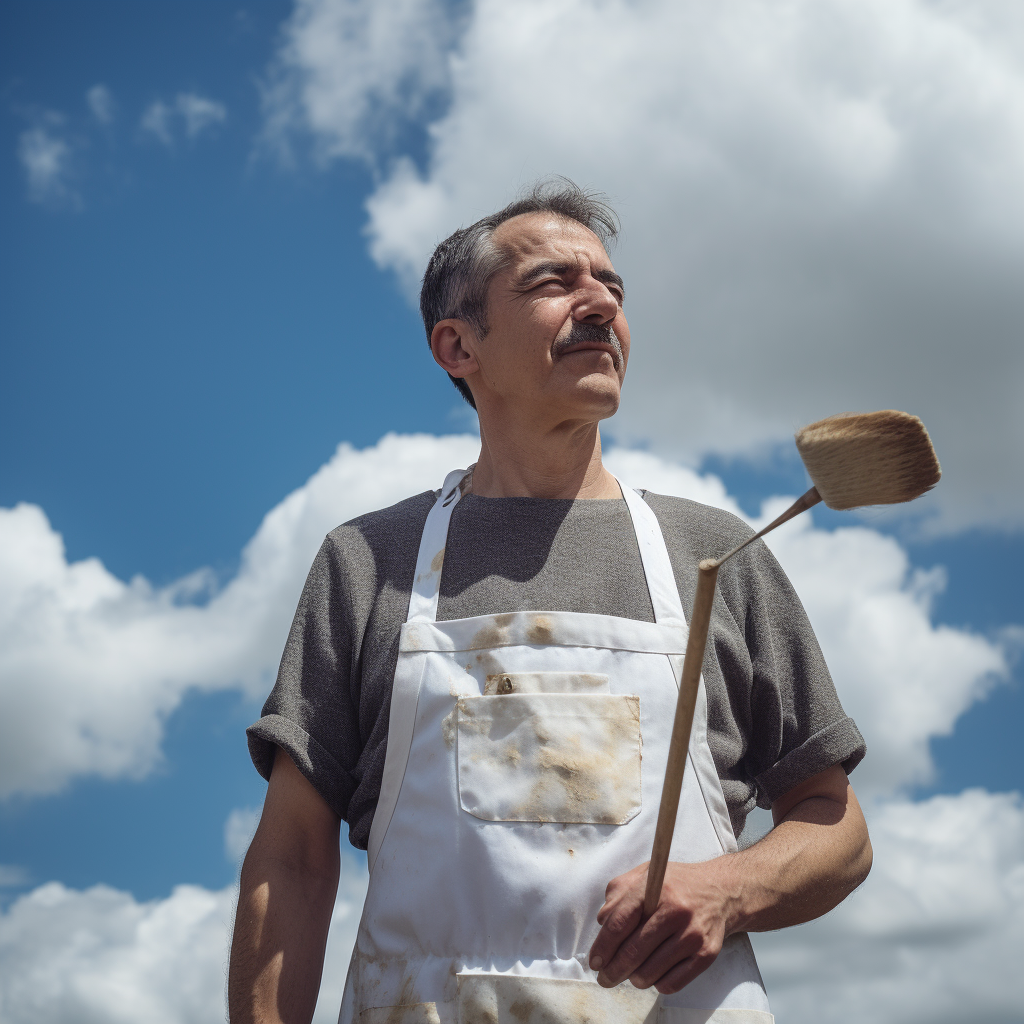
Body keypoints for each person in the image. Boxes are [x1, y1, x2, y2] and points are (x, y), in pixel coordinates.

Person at [228, 180, 871, 1024]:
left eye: (612, 286)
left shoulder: (716, 554)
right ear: (458, 346)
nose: (600, 303)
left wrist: (727, 889)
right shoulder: (369, 562)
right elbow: (296, 859)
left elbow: (837, 827)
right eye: (553, 283)